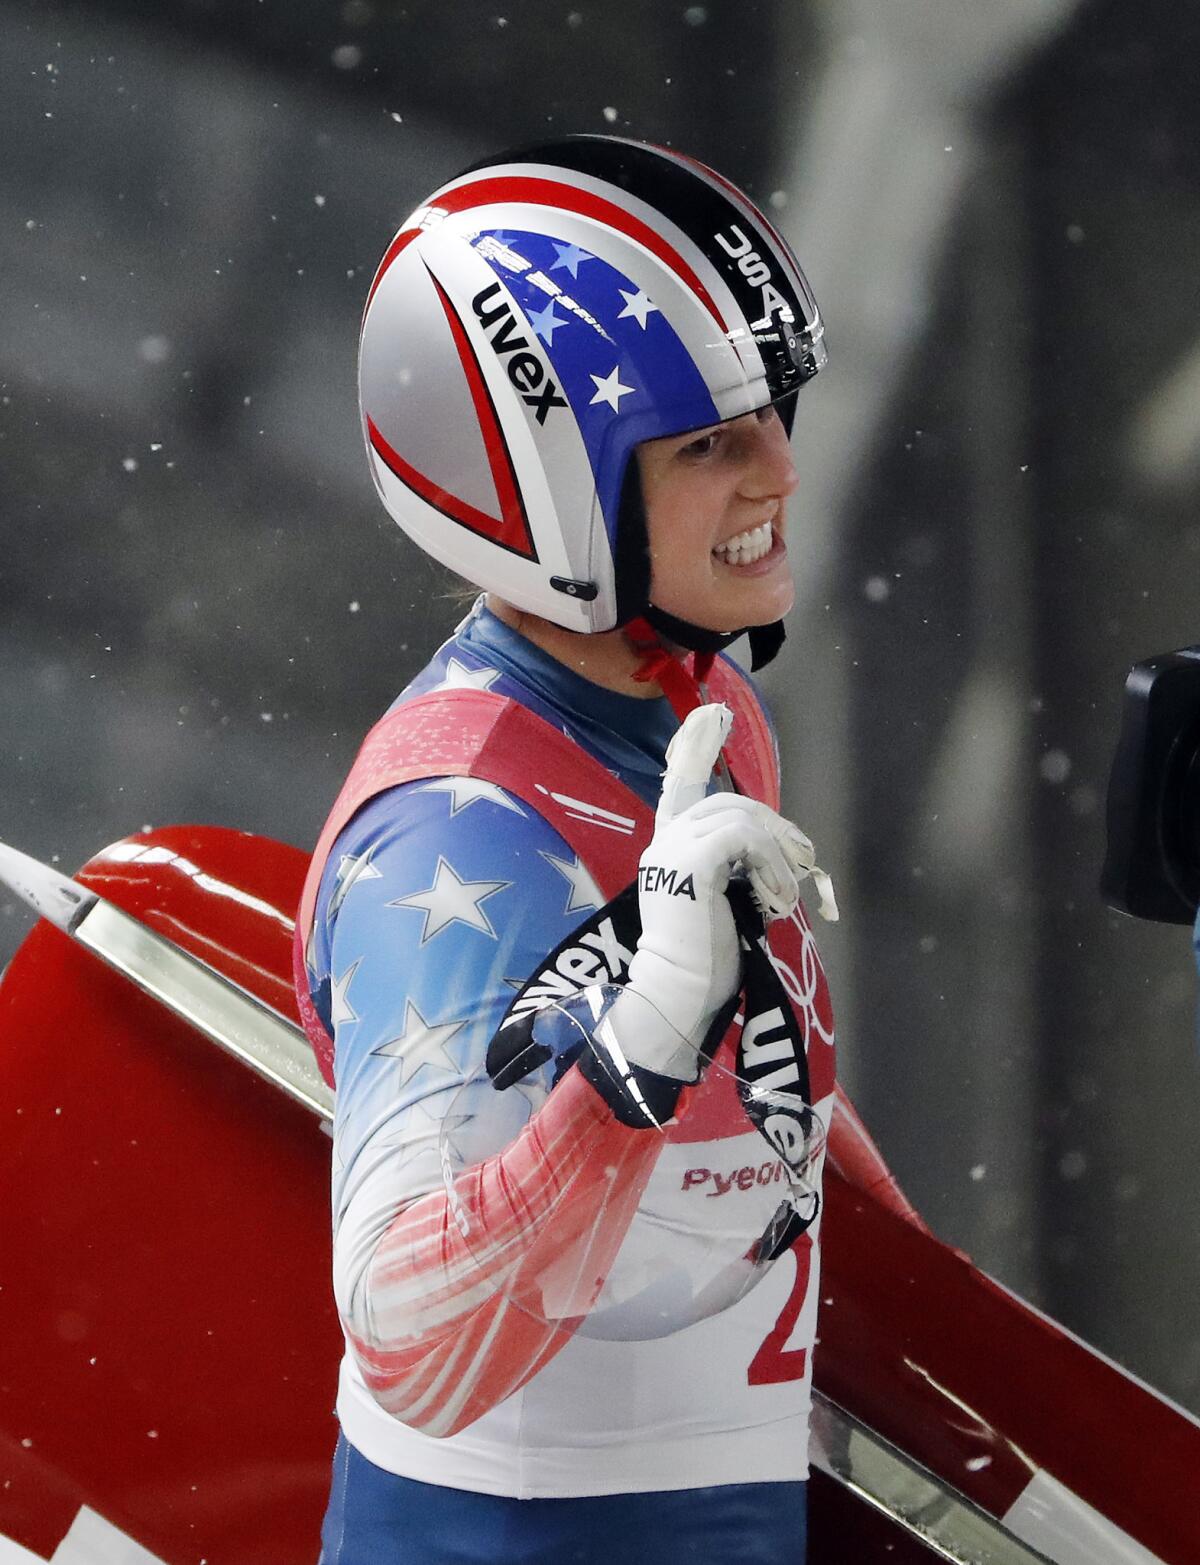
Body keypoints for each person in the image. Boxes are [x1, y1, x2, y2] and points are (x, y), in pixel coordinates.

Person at [295, 135, 850, 1565]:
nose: (781, 468)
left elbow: (760, 1095)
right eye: (711, 440)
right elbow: (411, 1333)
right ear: (541, 487)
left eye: (774, 412)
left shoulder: (704, 704)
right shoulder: (456, 832)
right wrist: (642, 1039)